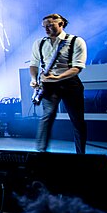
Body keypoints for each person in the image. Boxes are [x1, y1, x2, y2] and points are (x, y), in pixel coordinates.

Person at [29, 13, 88, 154]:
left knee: (77, 120)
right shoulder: (39, 43)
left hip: (70, 83)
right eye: (44, 27)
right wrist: (33, 79)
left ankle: (81, 155)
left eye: (50, 25)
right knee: (47, 116)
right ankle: (40, 152)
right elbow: (34, 64)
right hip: (49, 85)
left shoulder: (76, 41)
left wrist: (57, 77)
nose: (46, 29)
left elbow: (77, 68)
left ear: (61, 23)